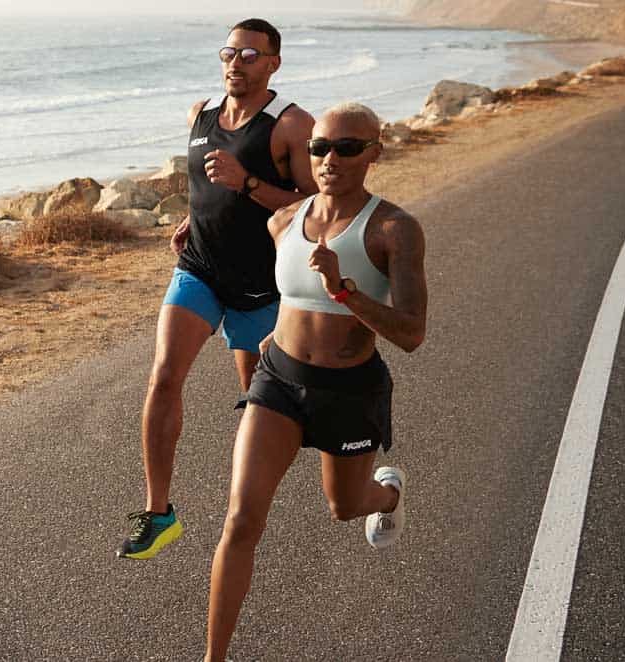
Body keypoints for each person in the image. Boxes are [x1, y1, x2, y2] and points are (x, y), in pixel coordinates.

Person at [202, 101, 428, 661]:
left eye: (348, 147)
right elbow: (279, 289)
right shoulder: (282, 220)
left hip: (350, 390)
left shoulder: (394, 229)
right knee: (241, 518)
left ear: (375, 151)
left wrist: (346, 291)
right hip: (278, 380)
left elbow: (412, 332)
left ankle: (388, 492)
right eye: (320, 147)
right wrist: (195, 245)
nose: (331, 158)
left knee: (345, 508)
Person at [120, 17, 318, 560]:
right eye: (230, 53)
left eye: (250, 55)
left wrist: (248, 184)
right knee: (164, 376)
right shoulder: (200, 114)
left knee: (263, 410)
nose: (236, 63)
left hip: (261, 287)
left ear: (274, 63)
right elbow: (202, 185)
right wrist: (194, 217)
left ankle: (248, 514)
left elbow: (313, 205)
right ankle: (160, 513)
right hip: (199, 269)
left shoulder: (291, 124)